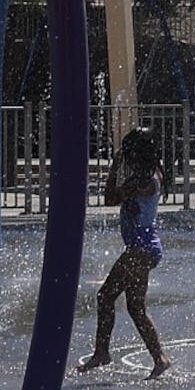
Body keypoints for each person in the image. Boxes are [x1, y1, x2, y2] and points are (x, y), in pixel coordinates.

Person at [78, 127, 170, 375]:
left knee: (105, 296)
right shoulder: (147, 176)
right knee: (135, 307)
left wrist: (115, 166)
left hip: (140, 248)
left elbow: (110, 198)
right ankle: (160, 359)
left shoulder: (145, 180)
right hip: (143, 247)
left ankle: (101, 353)